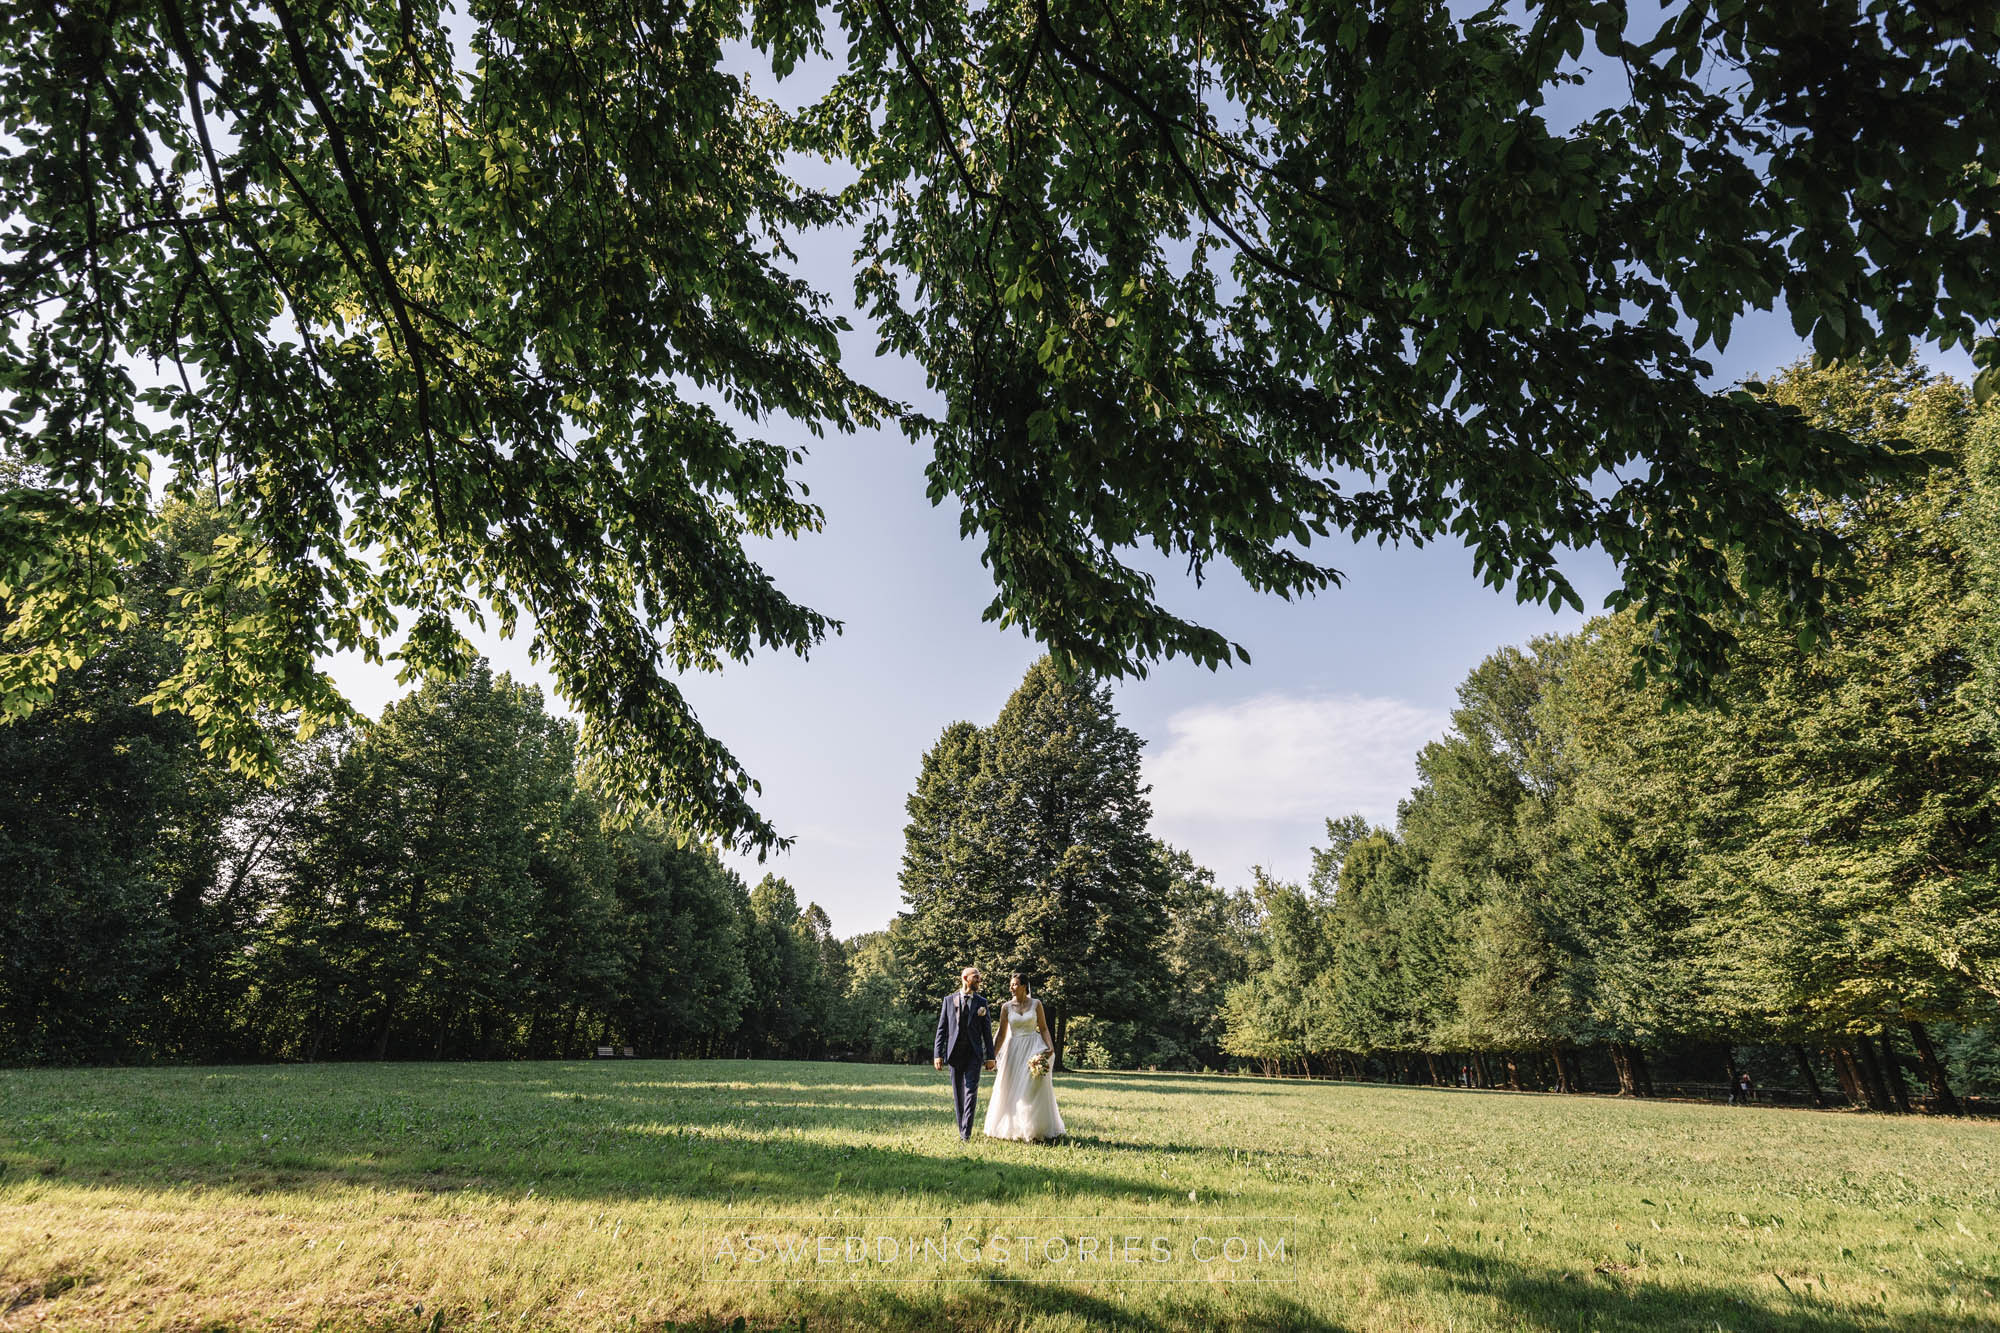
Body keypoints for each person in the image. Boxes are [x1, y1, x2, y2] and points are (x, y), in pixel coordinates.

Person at [982, 972, 1066, 1142]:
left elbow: (1043, 1028)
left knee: (1030, 1086)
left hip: (1033, 1047)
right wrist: (992, 1056)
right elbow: (1001, 1034)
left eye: (1014, 984)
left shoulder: (1036, 1004)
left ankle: (1035, 1128)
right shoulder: (1006, 1007)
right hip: (1014, 1050)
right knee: (1012, 1088)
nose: (1011, 988)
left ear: (1023, 986)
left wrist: (1050, 1047)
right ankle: (1012, 1127)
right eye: (1011, 984)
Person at [933, 965, 995, 1140]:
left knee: (970, 1092)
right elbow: (942, 1029)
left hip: (974, 1054)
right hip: (954, 1054)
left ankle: (966, 1134)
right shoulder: (948, 1000)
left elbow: (987, 1032)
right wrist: (938, 1054)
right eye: (976, 976)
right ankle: (963, 1129)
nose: (979, 980)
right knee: (958, 1094)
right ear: (965, 978)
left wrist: (990, 1057)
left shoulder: (982, 1002)